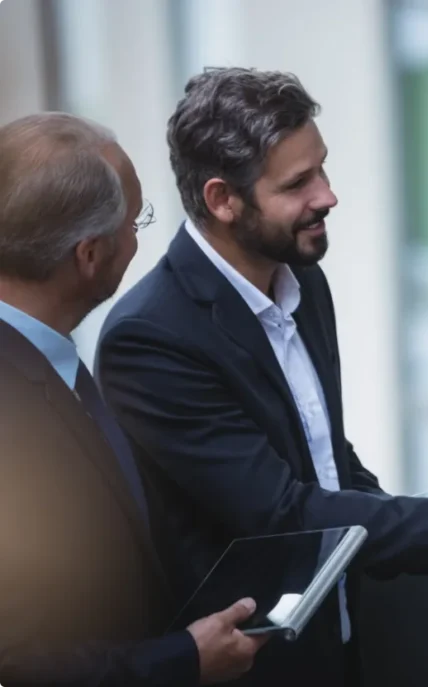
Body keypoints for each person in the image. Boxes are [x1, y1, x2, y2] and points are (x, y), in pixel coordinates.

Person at [94, 68, 428, 686]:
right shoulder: (150, 338)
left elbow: (327, 462)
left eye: (321, 168)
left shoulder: (302, 277)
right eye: (299, 183)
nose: (327, 195)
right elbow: (281, 513)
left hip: (343, 646)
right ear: (223, 200)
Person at [0, 113, 266, 685]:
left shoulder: (47, 361)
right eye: (136, 221)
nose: (138, 238)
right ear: (89, 254)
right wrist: (184, 660)